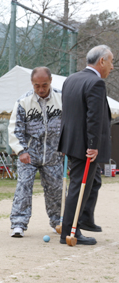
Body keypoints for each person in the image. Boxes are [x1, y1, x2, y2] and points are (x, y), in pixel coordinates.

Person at [58, 45, 114, 245]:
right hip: (85, 145)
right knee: (78, 186)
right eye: (111, 61)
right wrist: (93, 145)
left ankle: (85, 219)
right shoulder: (96, 83)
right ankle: (70, 231)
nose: (112, 67)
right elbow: (94, 117)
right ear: (102, 61)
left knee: (93, 182)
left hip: (71, 141)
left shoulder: (71, 79)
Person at [8, 67, 63, 237]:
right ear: (32, 84)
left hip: (54, 154)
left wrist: (66, 147)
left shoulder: (63, 99)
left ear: (51, 81)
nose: (40, 89)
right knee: (23, 187)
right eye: (36, 85)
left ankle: (58, 222)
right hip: (29, 154)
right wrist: (21, 150)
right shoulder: (23, 102)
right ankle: (18, 223)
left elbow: (70, 125)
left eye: (44, 85)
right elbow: (14, 129)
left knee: (57, 189)